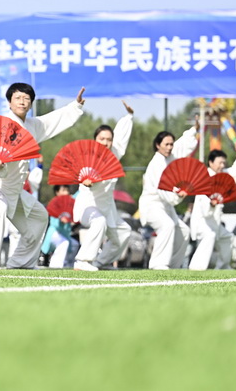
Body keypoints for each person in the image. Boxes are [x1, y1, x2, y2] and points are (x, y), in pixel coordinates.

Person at [0, 83, 86, 270]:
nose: (22, 102)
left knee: (40, 216)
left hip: (13, 188)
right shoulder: (3, 126)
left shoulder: (32, 126)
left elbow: (52, 121)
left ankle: (20, 262)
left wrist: (75, 106)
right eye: (18, 98)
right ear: (9, 103)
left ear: (31, 104)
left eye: (27, 99)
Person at [72, 103, 136, 271]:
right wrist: (87, 181)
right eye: (102, 139)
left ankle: (103, 262)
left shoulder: (114, 154)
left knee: (124, 233)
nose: (106, 142)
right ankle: (82, 261)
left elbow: (122, 138)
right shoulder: (88, 157)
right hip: (88, 205)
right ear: (95, 140)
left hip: (108, 207)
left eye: (109, 139)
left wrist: (129, 117)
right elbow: (84, 173)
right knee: (99, 222)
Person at [138, 124, 198, 270]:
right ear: (158, 145)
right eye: (166, 144)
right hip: (152, 204)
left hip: (166, 205)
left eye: (171, 144)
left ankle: (173, 265)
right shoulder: (155, 165)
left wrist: (195, 128)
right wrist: (178, 196)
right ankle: (158, 264)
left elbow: (183, 145)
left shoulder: (171, 155)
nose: (170, 147)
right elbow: (163, 190)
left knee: (184, 231)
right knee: (167, 225)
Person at [188, 144, 236, 270]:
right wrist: (211, 205)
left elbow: (235, 171)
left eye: (224, 163)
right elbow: (204, 209)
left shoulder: (222, 177)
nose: (222, 166)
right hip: (203, 221)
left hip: (215, 222)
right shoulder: (204, 178)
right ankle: (196, 269)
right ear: (210, 162)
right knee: (209, 236)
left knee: (227, 237)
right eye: (219, 163)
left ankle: (223, 267)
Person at [42, 185, 78, 268]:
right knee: (64, 243)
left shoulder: (70, 202)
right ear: (57, 192)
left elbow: (79, 196)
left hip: (65, 234)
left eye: (67, 190)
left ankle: (68, 264)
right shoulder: (55, 203)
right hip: (54, 233)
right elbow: (54, 222)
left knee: (75, 244)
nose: (66, 192)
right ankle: (55, 265)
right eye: (63, 190)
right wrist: (60, 220)